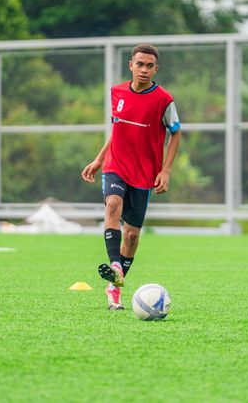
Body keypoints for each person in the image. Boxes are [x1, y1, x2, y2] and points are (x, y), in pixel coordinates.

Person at [81, 43, 181, 311]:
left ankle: (115, 284)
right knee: (113, 205)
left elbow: (176, 132)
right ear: (131, 65)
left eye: (149, 66)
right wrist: (100, 158)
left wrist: (166, 171)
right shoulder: (117, 93)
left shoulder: (164, 100)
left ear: (155, 69)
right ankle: (115, 266)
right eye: (140, 64)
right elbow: (118, 128)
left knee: (133, 235)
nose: (144, 70)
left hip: (144, 173)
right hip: (116, 165)